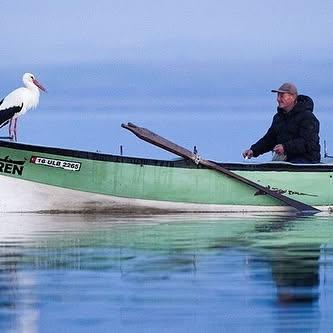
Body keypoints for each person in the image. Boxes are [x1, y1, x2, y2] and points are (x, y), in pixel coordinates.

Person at [243, 83, 321, 163]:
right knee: (274, 166)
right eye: (278, 96)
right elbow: (269, 139)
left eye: (282, 96)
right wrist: (253, 150)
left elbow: (308, 143)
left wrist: (285, 147)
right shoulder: (278, 117)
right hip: (286, 159)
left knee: (287, 166)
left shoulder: (308, 117)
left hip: (307, 160)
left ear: (293, 97)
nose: (278, 99)